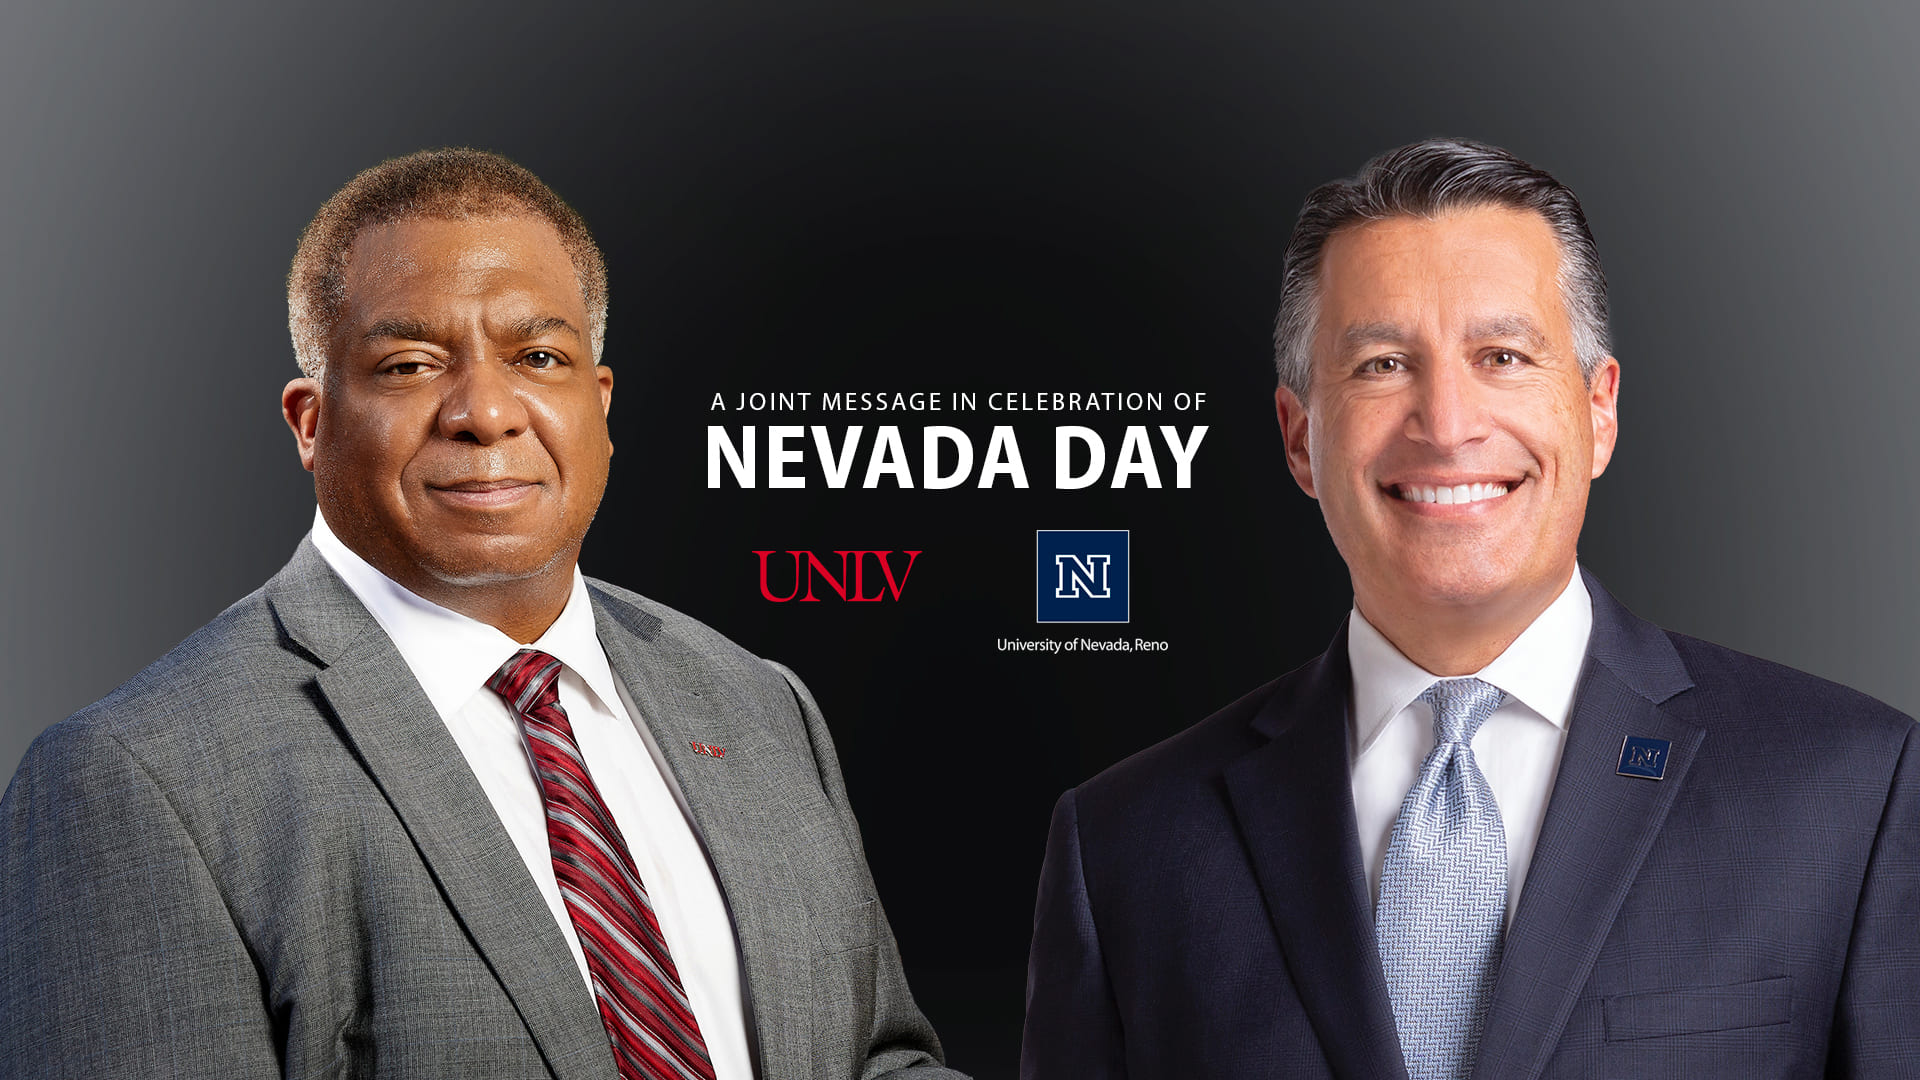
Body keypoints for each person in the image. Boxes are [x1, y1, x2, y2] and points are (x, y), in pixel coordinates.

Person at [0, 149, 964, 1080]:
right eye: (412, 364)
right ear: (310, 420)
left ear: (597, 403)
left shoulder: (758, 703)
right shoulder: (137, 780)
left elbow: (879, 1061)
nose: (488, 412)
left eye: (537, 356)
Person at [1020, 139, 1920, 1079]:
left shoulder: (1853, 794)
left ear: (1598, 410)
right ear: (1298, 439)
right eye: (1380, 364)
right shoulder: (1124, 847)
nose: (1447, 424)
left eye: (1503, 354)